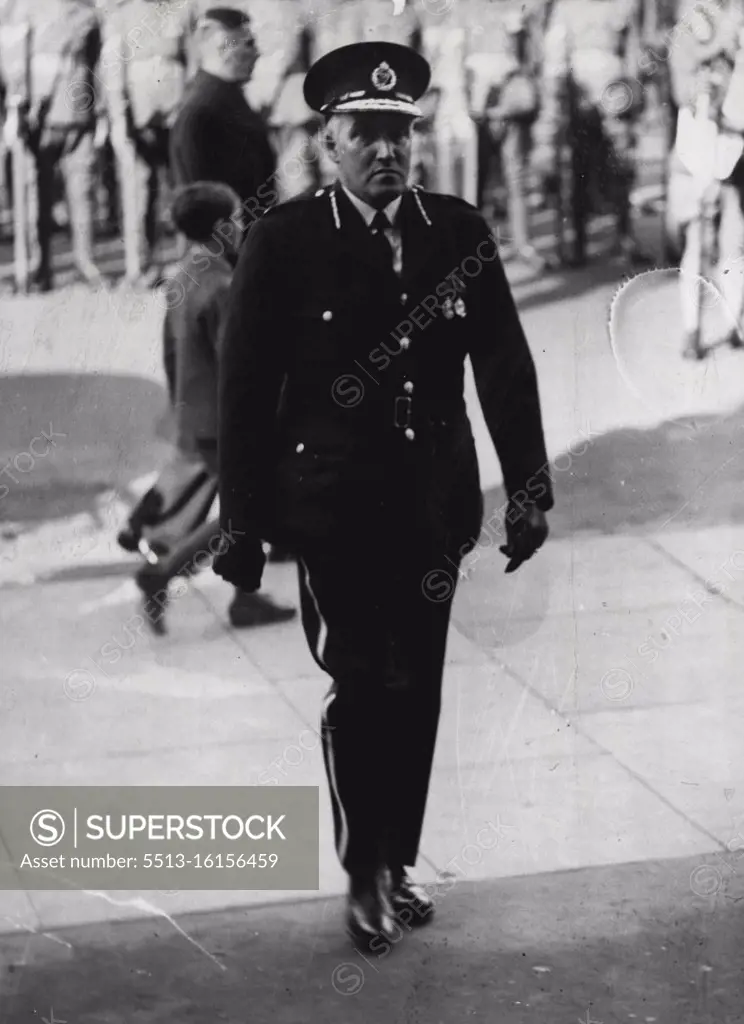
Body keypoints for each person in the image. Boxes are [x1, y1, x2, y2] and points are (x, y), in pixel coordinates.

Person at [212, 41, 553, 948]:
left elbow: (505, 368)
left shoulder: (457, 232)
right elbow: (243, 394)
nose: (386, 151)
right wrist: (240, 525)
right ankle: (363, 871)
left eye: (399, 132)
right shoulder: (284, 243)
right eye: (365, 133)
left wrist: (528, 488)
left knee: (418, 688)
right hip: (332, 512)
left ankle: (396, 859)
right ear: (329, 141)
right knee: (361, 685)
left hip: (433, 507)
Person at [123, 181, 296, 632]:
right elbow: (239, 365)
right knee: (248, 509)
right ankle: (166, 574)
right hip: (226, 421)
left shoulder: (183, 275)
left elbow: (171, 354)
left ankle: (242, 595)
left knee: (247, 507)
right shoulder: (222, 284)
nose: (242, 228)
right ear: (222, 227)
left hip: (197, 416)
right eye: (237, 220)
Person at [532, 0, 653, 267]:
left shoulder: (625, 4)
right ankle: (577, 242)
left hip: (617, 94)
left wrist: (633, 92)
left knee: (621, 166)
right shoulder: (566, 6)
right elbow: (555, 52)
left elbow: (633, 50)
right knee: (576, 169)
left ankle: (624, 238)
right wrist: (557, 97)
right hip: (579, 97)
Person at [666, 0, 744, 359]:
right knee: (697, 239)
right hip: (697, 145)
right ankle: (691, 329)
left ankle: (732, 322)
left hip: (731, 148)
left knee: (734, 236)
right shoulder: (692, 25)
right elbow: (681, 90)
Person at [100, 0, 195, 287]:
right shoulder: (121, 15)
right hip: (137, 121)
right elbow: (112, 68)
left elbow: (193, 60)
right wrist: (119, 117)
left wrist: (191, 108)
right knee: (138, 194)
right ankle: (139, 267)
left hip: (177, 115)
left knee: (184, 191)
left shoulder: (182, 9)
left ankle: (189, 265)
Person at [14, 0, 104, 292]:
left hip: (68, 117)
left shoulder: (82, 14)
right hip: (45, 118)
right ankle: (43, 268)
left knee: (77, 195)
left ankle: (60, 267)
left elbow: (98, 64)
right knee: (43, 198)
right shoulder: (32, 11)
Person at [170, 7, 277, 224]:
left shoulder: (227, 98)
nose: (257, 53)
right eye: (248, 43)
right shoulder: (201, 111)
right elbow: (198, 204)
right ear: (224, 48)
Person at [466, 0, 546, 271]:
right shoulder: (463, 9)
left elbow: (534, 53)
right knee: (476, 179)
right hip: (477, 104)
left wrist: (518, 86)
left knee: (517, 177)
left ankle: (523, 244)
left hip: (510, 101)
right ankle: (470, 247)